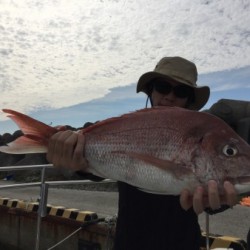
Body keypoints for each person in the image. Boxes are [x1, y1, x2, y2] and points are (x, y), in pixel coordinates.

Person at [46, 56, 238, 250]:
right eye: (163, 87)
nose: (170, 96)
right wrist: (77, 159)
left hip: (182, 243)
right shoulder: (127, 127)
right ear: (151, 90)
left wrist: (223, 198)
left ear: (189, 99)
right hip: (129, 242)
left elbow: (210, 199)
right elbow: (98, 165)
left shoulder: (200, 136)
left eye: (181, 91)